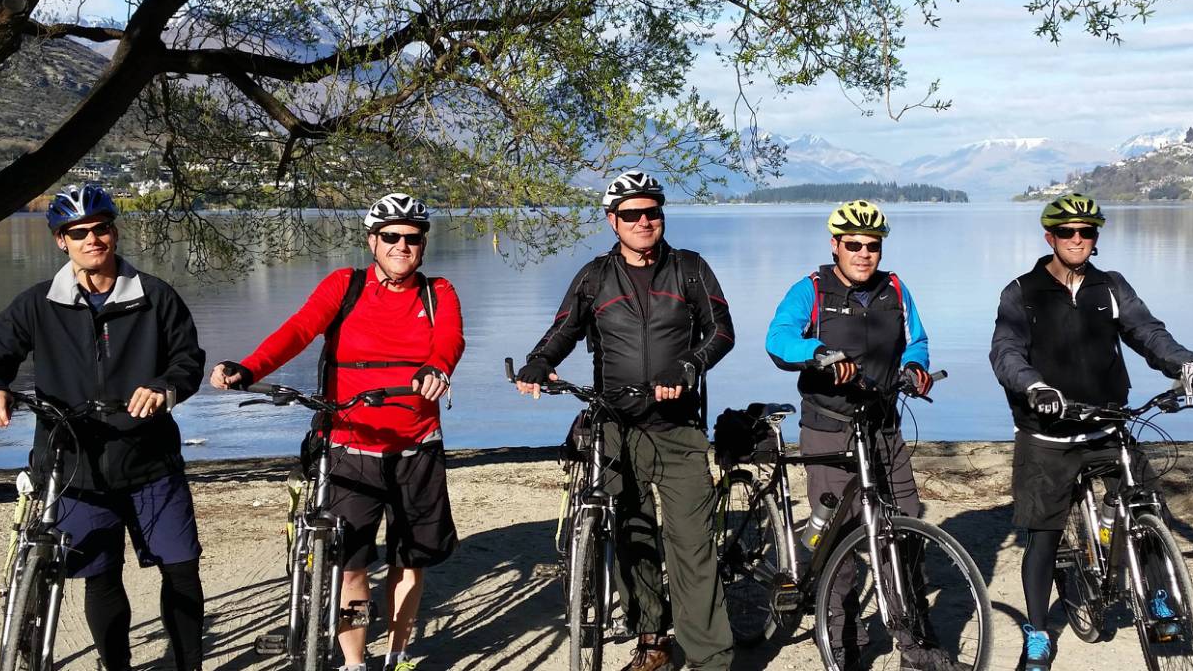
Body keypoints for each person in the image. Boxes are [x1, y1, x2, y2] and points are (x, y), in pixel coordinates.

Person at [210, 193, 463, 671]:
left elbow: (450, 337)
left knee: (411, 562)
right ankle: (354, 661)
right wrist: (249, 366)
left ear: (423, 244)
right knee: (352, 567)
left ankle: (398, 652)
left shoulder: (439, 293)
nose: (402, 246)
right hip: (350, 446)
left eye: (412, 238)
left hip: (417, 448)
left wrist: (438, 366)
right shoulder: (345, 285)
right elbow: (299, 330)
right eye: (391, 237)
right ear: (373, 241)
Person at [0, 184, 208, 671]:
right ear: (62, 241)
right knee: (101, 575)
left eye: (100, 229)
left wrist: (164, 387)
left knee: (180, 569)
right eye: (78, 233)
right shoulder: (38, 304)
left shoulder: (155, 297)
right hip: (73, 463)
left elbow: (188, 361)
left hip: (149, 459)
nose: (92, 239)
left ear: (114, 232)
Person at [513, 170, 735, 671]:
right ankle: (652, 641)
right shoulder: (594, 276)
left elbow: (721, 332)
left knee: (693, 548)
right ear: (613, 221)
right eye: (631, 214)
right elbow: (563, 330)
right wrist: (538, 363)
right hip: (615, 427)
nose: (643, 221)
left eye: (651, 212)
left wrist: (688, 366)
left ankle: (711, 659)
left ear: (661, 217)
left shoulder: (690, 269)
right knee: (632, 539)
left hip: (678, 429)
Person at [989, 193, 1193, 671]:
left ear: (1095, 238)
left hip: (1109, 423)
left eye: (1086, 232)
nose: (1077, 240)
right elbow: (1006, 352)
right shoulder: (1021, 292)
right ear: (1049, 237)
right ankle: (1037, 634)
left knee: (1146, 506)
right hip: (1047, 433)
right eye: (1067, 232)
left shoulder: (1110, 286)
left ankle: (1156, 598)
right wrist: (1034, 386)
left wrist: (1184, 366)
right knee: (1044, 535)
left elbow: (1147, 332)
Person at [764, 200, 934, 664]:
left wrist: (916, 365)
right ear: (835, 244)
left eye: (872, 245)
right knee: (838, 534)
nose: (864, 253)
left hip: (883, 426)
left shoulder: (895, 289)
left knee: (907, 523)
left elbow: (915, 338)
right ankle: (845, 640)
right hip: (829, 427)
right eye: (854, 244)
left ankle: (915, 641)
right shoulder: (812, 289)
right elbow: (778, 338)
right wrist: (817, 351)